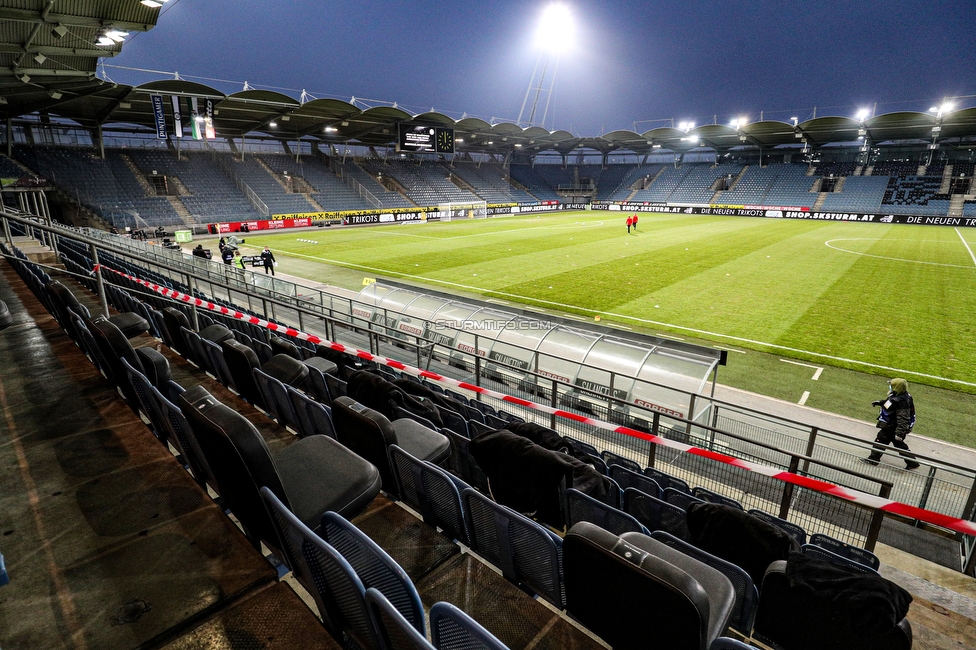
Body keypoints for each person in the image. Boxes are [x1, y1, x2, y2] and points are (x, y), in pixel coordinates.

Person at [862, 378, 920, 469]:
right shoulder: (900, 395)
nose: (890, 386)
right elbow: (890, 404)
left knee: (880, 440)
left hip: (893, 427)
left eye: (892, 385)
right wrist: (880, 402)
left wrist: (899, 433)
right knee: (899, 445)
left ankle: (873, 459)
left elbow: (903, 419)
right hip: (893, 426)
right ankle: (912, 463)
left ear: (897, 387)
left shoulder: (902, 401)